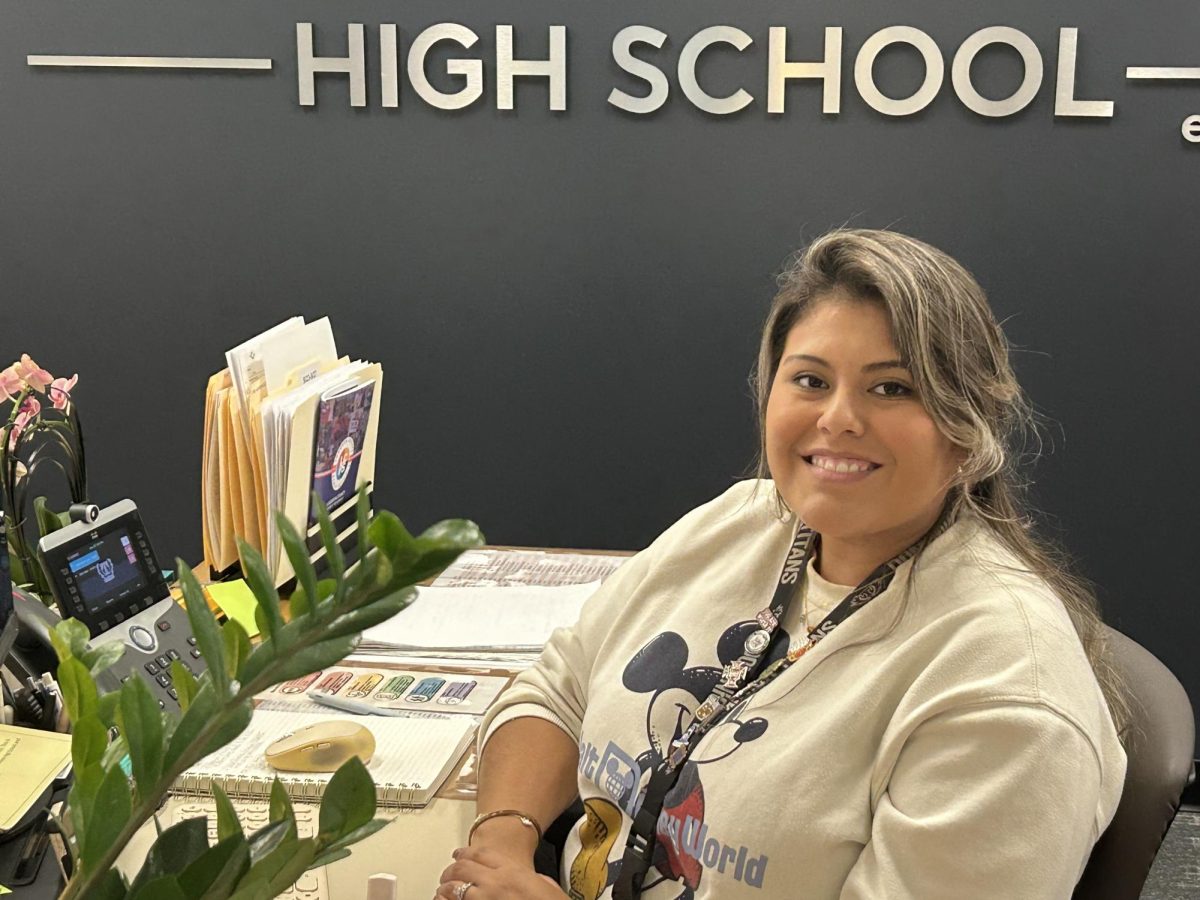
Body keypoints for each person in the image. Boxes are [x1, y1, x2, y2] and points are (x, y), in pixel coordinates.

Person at [436, 229, 1127, 900]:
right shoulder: (741, 521)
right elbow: (558, 689)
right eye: (810, 379)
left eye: (892, 389)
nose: (839, 418)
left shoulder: (1008, 692)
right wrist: (503, 840)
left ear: (968, 429)